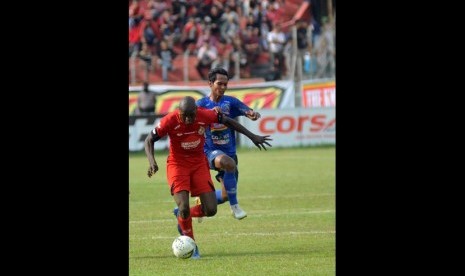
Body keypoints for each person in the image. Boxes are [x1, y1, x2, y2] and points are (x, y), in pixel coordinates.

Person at [144, 96, 272, 259]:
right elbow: (149, 140)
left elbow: (229, 121)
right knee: (184, 205)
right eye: (185, 115)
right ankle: (191, 244)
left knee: (211, 210)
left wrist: (252, 136)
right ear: (179, 112)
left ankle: (182, 216)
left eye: (192, 114)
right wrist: (152, 162)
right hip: (178, 165)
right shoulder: (169, 120)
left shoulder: (205, 115)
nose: (189, 119)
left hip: (199, 164)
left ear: (196, 110)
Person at [195, 66, 262, 221]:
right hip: (209, 151)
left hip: (229, 151)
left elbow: (247, 110)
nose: (223, 87)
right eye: (220, 84)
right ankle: (235, 207)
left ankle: (201, 200)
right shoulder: (201, 104)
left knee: (225, 195)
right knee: (228, 163)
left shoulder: (230, 102)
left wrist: (252, 114)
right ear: (210, 84)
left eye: (225, 84)